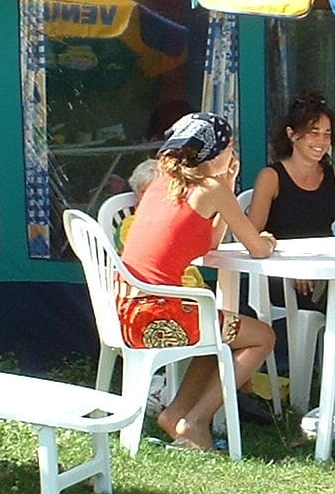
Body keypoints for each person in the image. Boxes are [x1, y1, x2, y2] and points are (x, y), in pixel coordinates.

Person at [119, 112, 277, 451]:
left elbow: (211, 242)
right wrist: (268, 240)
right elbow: (258, 249)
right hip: (159, 316)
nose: (233, 155)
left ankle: (174, 413)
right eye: (230, 148)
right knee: (263, 337)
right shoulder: (209, 188)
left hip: (128, 309)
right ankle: (196, 421)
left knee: (220, 334)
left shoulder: (164, 182)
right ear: (214, 153)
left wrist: (229, 189)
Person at [247, 90, 335, 308]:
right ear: (292, 134)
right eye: (314, 132)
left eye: (327, 134)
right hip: (282, 275)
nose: (321, 141)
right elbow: (251, 234)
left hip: (326, 270)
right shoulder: (271, 177)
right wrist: (291, 263)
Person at [119, 158, 205, 289]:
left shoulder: (175, 221)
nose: (159, 197)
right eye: (151, 192)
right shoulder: (131, 226)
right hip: (170, 293)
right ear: (139, 196)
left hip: (195, 290)